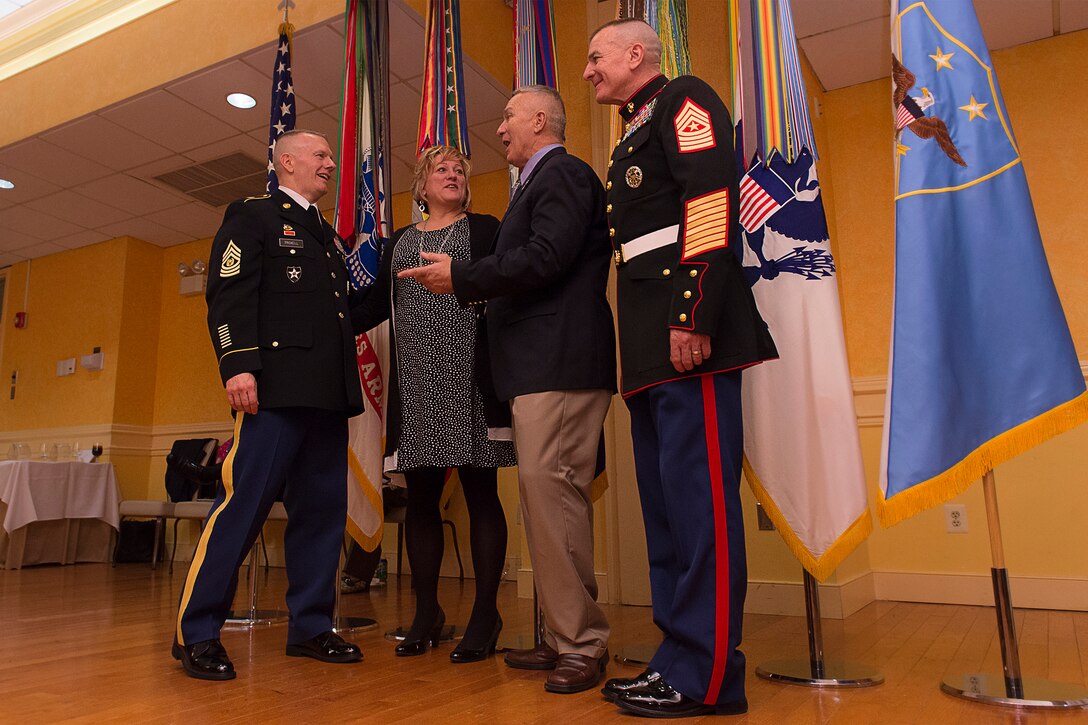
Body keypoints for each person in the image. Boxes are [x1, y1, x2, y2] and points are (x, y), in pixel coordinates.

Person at [582, 20, 778, 718]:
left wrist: (691, 313)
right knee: (667, 519)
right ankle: (676, 659)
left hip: (685, 337)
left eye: (596, 57)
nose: (588, 71)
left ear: (636, 54)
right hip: (648, 353)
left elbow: (710, 204)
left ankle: (709, 677)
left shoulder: (684, 100)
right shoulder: (632, 130)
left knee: (703, 516)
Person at [400, 86, 616, 694]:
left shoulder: (564, 175)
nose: (498, 131)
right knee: (548, 502)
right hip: (540, 366)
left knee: (555, 497)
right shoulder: (536, 185)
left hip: (559, 362)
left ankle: (581, 642)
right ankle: (562, 635)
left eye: (507, 118)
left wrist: (462, 275)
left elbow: (547, 257)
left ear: (539, 121)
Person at [173, 129, 363, 681]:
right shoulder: (252, 214)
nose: (331, 162)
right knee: (242, 511)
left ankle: (311, 627)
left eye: (331, 155)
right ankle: (198, 633)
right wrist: (237, 364)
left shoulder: (325, 236)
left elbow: (340, 313)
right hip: (274, 391)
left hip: (326, 395)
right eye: (321, 154)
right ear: (286, 160)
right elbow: (228, 293)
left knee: (322, 517)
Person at [350, 145, 515, 662]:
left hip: (471, 380)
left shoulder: (486, 229)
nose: (452, 175)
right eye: (441, 170)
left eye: (460, 171)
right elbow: (370, 307)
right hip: (417, 386)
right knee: (420, 499)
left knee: (481, 493)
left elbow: (509, 282)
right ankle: (427, 611)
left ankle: (486, 614)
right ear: (420, 188)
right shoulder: (398, 243)